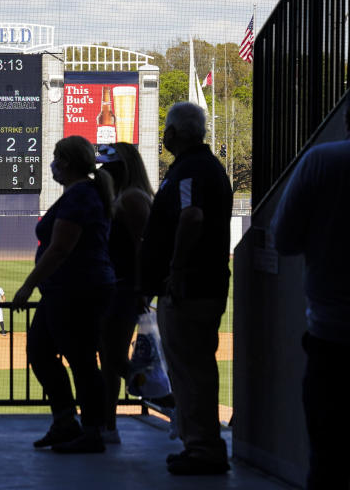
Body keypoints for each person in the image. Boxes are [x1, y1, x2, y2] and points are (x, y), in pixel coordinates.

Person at [139, 102, 232, 475]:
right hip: (197, 284)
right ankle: (199, 443)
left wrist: (175, 268)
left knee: (190, 370)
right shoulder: (202, 166)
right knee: (194, 368)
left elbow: (191, 216)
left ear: (176, 133)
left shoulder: (191, 169)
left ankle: (203, 449)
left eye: (166, 128)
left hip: (189, 288)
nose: (164, 134)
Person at [12, 135, 115, 454]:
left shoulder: (79, 196)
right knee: (42, 352)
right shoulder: (80, 193)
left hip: (77, 290)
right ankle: (66, 421)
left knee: (81, 360)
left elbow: (59, 249)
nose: (53, 164)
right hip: (66, 290)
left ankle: (91, 430)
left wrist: (28, 284)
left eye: (56, 158)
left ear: (67, 163)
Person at [270, 107, 350, 490]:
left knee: (328, 458)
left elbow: (283, 240)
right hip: (329, 333)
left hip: (332, 336)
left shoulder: (322, 161)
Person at [94, 142, 153, 445]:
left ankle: (164, 398)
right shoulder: (122, 196)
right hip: (118, 287)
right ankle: (108, 424)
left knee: (114, 358)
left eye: (107, 164)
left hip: (125, 288)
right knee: (109, 359)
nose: (102, 169)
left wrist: (143, 288)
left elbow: (145, 246)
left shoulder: (131, 198)